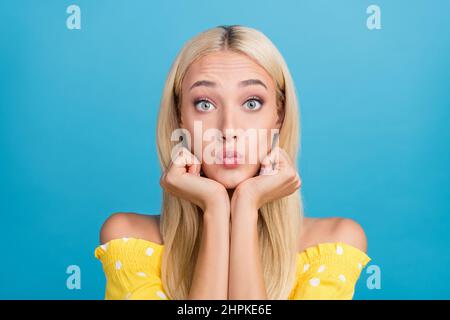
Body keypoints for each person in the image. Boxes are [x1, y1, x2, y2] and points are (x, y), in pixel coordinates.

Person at [94, 25, 371, 300]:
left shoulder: (336, 243)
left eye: (251, 103)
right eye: (205, 104)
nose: (228, 129)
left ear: (279, 115)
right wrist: (215, 207)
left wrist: (246, 205)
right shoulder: (127, 239)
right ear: (180, 116)